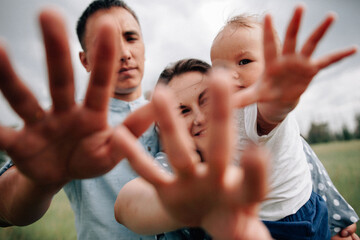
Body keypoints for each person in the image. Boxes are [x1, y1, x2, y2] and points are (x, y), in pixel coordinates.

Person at [115, 5, 358, 240]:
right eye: (183, 111)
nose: (200, 118)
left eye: (207, 99)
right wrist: (194, 199)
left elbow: (271, 116)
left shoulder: (253, 120)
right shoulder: (178, 166)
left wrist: (282, 97)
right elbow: (127, 205)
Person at [0, 0, 182, 239]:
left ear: (144, 47)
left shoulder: (178, 114)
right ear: (85, 60)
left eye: (131, 38)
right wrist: (41, 182)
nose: (125, 54)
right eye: (105, 45)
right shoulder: (68, 125)